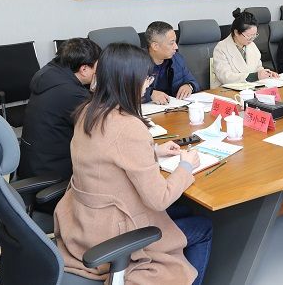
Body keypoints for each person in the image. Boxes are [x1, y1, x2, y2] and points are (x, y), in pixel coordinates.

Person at [54, 43, 212, 285]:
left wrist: (153, 151)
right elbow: (159, 199)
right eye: (147, 78)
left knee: (184, 211)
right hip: (113, 233)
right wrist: (186, 166)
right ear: (129, 81)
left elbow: (106, 154)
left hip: (84, 222)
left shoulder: (88, 111)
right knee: (203, 226)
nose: (149, 84)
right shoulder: (128, 127)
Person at [19, 38, 101, 181]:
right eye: (97, 67)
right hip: (53, 172)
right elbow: (101, 127)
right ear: (84, 69)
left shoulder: (49, 72)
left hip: (33, 163)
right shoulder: (72, 94)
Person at [212, 8, 278, 85]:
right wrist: (255, 76)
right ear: (236, 32)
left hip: (251, 87)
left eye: (254, 35)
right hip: (229, 89)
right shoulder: (221, 48)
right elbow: (225, 77)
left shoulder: (251, 45)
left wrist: (267, 74)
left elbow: (258, 67)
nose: (252, 39)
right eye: (249, 36)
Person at [144, 21, 200, 104]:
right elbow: (127, 92)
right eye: (171, 43)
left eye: (175, 42)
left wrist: (189, 86)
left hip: (173, 107)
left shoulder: (177, 59)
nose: (176, 47)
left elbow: (194, 82)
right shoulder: (135, 63)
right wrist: (150, 93)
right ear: (155, 46)